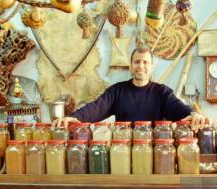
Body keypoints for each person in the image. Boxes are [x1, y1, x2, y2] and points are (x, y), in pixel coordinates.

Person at [54, 47, 209, 131]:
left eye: (145, 62)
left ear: (151, 66)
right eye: (137, 62)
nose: (140, 66)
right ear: (130, 65)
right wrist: (75, 117)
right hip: (123, 149)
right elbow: (96, 107)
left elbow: (178, 108)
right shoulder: (117, 91)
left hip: (153, 151)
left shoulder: (162, 92)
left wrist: (194, 114)